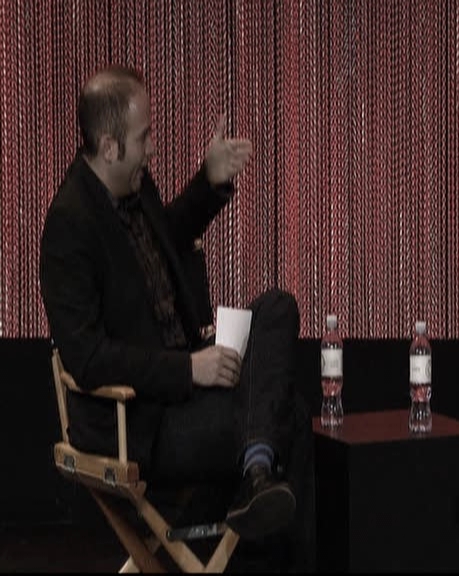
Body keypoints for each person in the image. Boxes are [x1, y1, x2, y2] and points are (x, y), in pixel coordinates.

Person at [39, 65, 314, 561]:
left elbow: (166, 239)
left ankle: (255, 476)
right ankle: (256, 492)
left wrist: (209, 181)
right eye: (143, 138)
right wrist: (189, 369)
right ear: (109, 147)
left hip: (184, 391)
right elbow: (88, 357)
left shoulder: (134, 187)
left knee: (277, 306)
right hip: (140, 421)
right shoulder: (69, 226)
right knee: (287, 412)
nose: (152, 150)